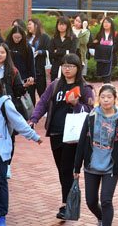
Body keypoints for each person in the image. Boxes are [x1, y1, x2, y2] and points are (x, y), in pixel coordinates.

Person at [29, 54, 94, 220]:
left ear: (78, 68)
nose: (67, 69)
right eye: (65, 65)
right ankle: (69, 200)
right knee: (62, 169)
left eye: (71, 66)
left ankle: (67, 205)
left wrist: (76, 104)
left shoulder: (85, 87)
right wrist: (34, 119)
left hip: (74, 135)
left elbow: (91, 111)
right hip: (57, 132)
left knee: (66, 169)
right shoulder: (55, 85)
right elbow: (43, 102)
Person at [0, 74, 42, 226]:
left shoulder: (3, 103)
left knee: (0, 180)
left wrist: (33, 136)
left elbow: (18, 121)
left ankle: (2, 214)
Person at [73, 84, 118, 226]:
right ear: (99, 98)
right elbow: (82, 142)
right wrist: (76, 167)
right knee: (91, 201)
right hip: (91, 164)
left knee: (106, 200)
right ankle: (101, 218)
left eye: (109, 97)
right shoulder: (91, 116)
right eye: (103, 97)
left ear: (115, 99)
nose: (106, 100)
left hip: (111, 165)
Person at [5, 26, 35, 102]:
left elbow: (31, 63)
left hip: (23, 76)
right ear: (11, 35)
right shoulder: (7, 45)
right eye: (15, 37)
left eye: (19, 37)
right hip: (10, 75)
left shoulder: (27, 46)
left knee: (25, 99)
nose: (17, 39)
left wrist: (32, 76)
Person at [26, 18, 51, 100]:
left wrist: (40, 52)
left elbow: (50, 50)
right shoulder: (26, 38)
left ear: (36, 25)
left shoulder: (44, 37)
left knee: (43, 95)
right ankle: (31, 113)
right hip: (29, 72)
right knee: (29, 95)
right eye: (28, 24)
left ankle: (45, 112)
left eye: (30, 24)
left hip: (40, 71)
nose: (28, 26)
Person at [91, 17, 118, 83]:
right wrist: (94, 43)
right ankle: (106, 87)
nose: (106, 24)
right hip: (101, 58)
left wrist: (109, 49)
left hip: (111, 59)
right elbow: (94, 45)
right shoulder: (100, 34)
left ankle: (107, 88)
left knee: (108, 76)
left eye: (108, 22)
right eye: (104, 22)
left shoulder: (115, 34)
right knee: (104, 76)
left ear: (111, 24)